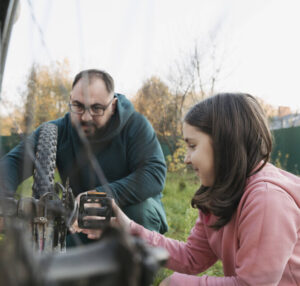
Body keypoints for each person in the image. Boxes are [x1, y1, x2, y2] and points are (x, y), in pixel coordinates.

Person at [85, 93, 300, 285]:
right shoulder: (219, 193)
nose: (187, 158)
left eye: (193, 145)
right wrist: (128, 227)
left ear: (224, 143)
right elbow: (192, 257)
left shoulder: (267, 199)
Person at [0, 69, 168, 244]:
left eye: (97, 108)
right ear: (70, 101)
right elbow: (14, 162)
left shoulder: (136, 126)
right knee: (44, 252)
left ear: (113, 104)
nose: (86, 117)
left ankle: (138, 264)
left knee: (140, 211)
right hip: (81, 220)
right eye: (78, 106)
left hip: (130, 215)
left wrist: (99, 196)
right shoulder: (57, 130)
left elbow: (154, 173)